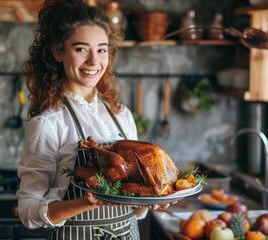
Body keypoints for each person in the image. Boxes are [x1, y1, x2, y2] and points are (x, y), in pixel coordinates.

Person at [17, 0, 173, 239]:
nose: (93, 61)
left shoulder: (121, 115)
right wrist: (85, 203)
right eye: (81, 49)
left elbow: (133, 206)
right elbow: (28, 212)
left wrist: (152, 200)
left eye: (101, 50)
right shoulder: (48, 124)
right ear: (58, 52)